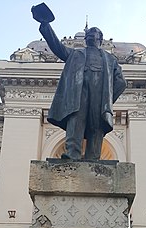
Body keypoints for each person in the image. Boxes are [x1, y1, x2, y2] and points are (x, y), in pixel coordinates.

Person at [36, 9, 126, 160]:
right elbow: (57, 47)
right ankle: (72, 154)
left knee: (96, 126)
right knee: (75, 121)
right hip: (79, 94)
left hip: (100, 95)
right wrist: (45, 25)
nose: (90, 34)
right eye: (88, 34)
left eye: (94, 32)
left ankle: (94, 157)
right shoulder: (75, 54)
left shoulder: (110, 59)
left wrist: (108, 100)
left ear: (100, 38)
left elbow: (121, 82)